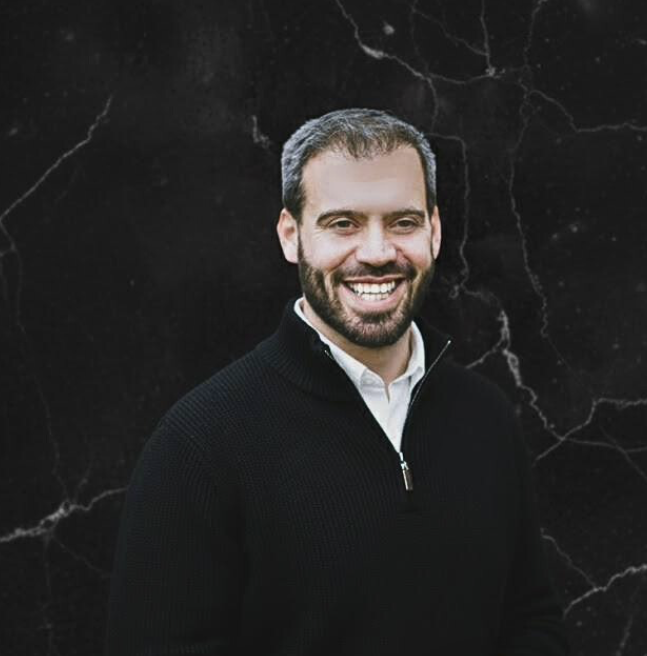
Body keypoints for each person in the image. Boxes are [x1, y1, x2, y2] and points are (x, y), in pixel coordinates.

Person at [105, 108, 569, 655]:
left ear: (435, 231)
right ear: (291, 236)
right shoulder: (199, 445)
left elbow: (532, 619)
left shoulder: (486, 418)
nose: (376, 253)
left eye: (403, 222)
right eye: (343, 223)